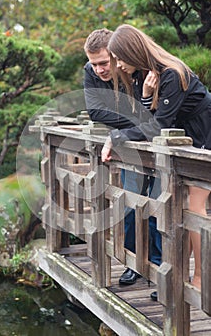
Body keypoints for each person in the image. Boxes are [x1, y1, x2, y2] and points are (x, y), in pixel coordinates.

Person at [101, 24, 211, 292]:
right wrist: (146, 96)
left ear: (133, 51)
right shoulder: (143, 77)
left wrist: (115, 137)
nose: (119, 65)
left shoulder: (172, 74)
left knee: (194, 207)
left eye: (120, 58)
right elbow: (143, 123)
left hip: (205, 138)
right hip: (184, 142)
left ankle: (200, 279)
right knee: (179, 209)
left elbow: (155, 128)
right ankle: (180, 277)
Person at [83, 28, 162, 292]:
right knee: (130, 203)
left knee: (158, 206)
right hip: (127, 144)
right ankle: (134, 263)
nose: (99, 70)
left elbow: (151, 113)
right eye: (94, 64)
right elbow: (95, 112)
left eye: (103, 63)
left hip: (156, 142)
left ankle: (159, 264)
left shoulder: (134, 69)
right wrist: (131, 123)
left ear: (116, 57)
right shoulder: (91, 71)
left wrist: (137, 120)